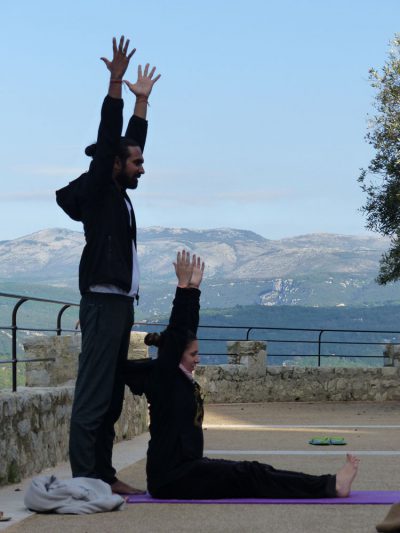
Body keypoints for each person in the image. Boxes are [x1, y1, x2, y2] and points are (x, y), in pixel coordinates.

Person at [125, 250, 360, 499]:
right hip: (171, 479)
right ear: (175, 356)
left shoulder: (178, 379)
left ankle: (329, 485)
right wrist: (183, 289)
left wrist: (194, 289)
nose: (198, 359)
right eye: (193, 354)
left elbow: (186, 331)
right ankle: (331, 486)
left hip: (186, 471)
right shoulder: (165, 377)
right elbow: (178, 332)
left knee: (253, 473)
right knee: (252, 473)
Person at [59, 36, 160, 495]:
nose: (141, 167)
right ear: (114, 165)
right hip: (102, 302)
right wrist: (116, 85)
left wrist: (142, 106)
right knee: (94, 394)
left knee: (111, 395)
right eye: (135, 163)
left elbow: (125, 144)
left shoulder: (117, 192)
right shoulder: (102, 189)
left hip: (119, 304)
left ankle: (103, 473)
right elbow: (110, 142)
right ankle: (86, 478)